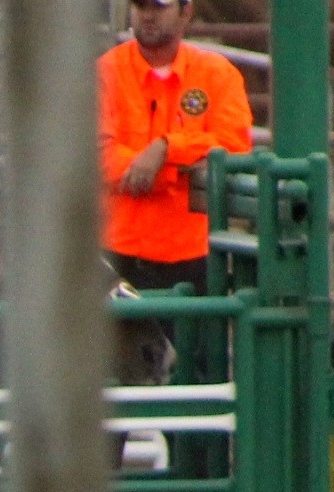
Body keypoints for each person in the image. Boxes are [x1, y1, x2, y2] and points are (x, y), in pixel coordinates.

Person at [97, 0, 251, 294]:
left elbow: (232, 145)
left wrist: (166, 148)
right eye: (140, 7)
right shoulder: (105, 73)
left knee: (198, 339)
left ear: (186, 12)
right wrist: (176, 172)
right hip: (119, 257)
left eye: (159, 7)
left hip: (193, 258)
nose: (148, 16)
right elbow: (100, 159)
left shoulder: (218, 75)